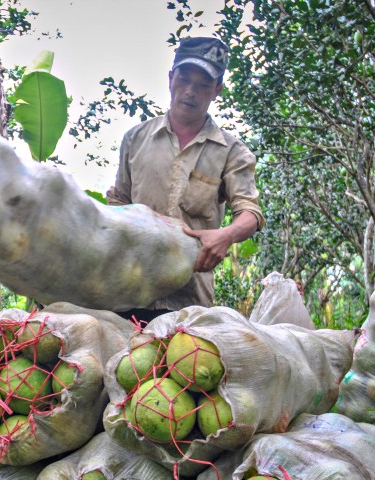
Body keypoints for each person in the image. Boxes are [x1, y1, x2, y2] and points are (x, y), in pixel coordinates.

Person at [107, 36, 265, 323]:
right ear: (170, 79)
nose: (190, 92)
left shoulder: (232, 151)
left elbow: (250, 213)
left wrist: (225, 236)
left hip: (187, 302)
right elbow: (118, 202)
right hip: (128, 291)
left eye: (203, 85)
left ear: (217, 90)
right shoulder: (136, 139)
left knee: (181, 367)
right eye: (184, 79)